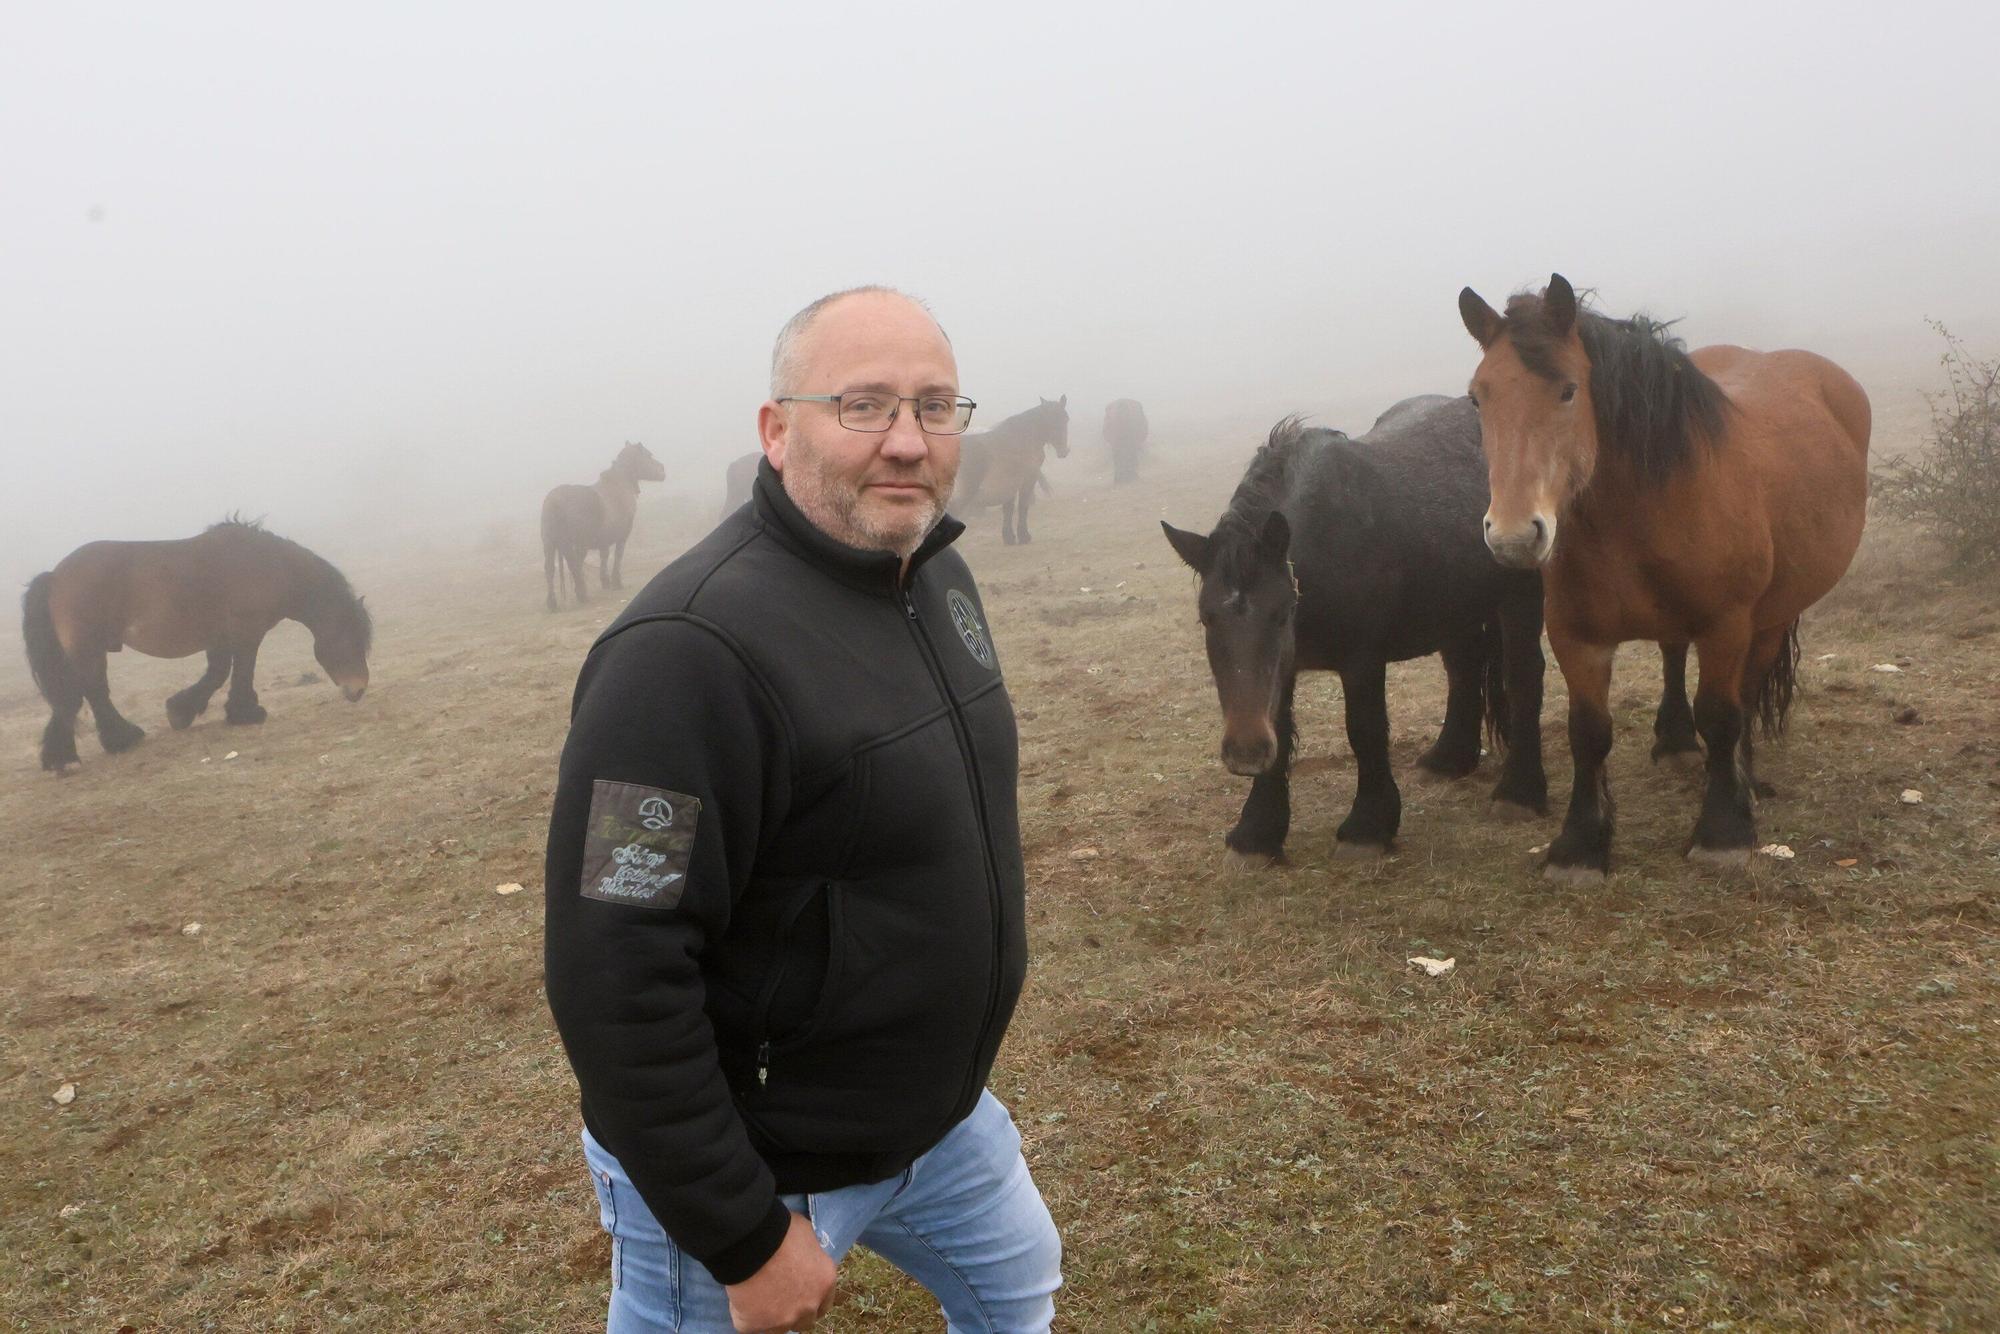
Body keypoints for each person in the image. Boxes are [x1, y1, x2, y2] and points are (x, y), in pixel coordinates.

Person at [544, 286, 1060, 1333]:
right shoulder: (682, 657)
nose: (908, 440)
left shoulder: (934, 573)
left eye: (936, 404)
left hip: (937, 1123)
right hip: (759, 1160)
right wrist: (737, 1229)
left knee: (1017, 1287)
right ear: (777, 430)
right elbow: (614, 966)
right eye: (862, 404)